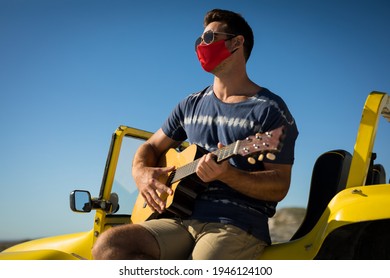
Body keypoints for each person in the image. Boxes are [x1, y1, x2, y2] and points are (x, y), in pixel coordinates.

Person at [92, 8, 298, 260]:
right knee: (109, 245)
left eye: (209, 38)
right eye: (199, 40)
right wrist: (141, 173)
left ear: (237, 42)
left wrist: (229, 175)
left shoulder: (270, 109)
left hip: (235, 223)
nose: (201, 45)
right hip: (177, 219)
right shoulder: (189, 104)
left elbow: (279, 185)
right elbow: (151, 148)